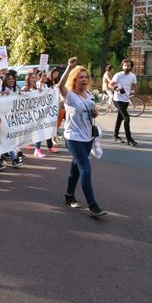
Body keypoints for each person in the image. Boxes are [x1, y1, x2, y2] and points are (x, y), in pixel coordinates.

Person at [57, 57, 107, 217]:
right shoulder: (69, 95)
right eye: (81, 77)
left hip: (87, 138)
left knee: (76, 169)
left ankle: (69, 195)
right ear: (74, 79)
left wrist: (95, 113)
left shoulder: (89, 95)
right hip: (73, 138)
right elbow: (59, 86)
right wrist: (69, 67)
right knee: (85, 169)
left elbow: (92, 112)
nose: (84, 79)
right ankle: (93, 205)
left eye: (86, 77)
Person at [22, 70, 55, 157]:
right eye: (32, 78)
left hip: (38, 114)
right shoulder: (24, 89)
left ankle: (37, 149)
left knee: (39, 131)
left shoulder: (38, 89)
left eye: (35, 78)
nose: (34, 79)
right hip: (28, 115)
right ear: (28, 79)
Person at [109, 59, 138, 146]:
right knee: (126, 118)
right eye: (125, 65)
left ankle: (116, 135)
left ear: (131, 67)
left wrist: (133, 91)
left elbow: (134, 87)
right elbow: (110, 84)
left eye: (128, 65)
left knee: (120, 118)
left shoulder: (133, 76)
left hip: (126, 100)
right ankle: (129, 139)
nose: (126, 67)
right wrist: (116, 88)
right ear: (122, 66)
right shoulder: (118, 75)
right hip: (117, 99)